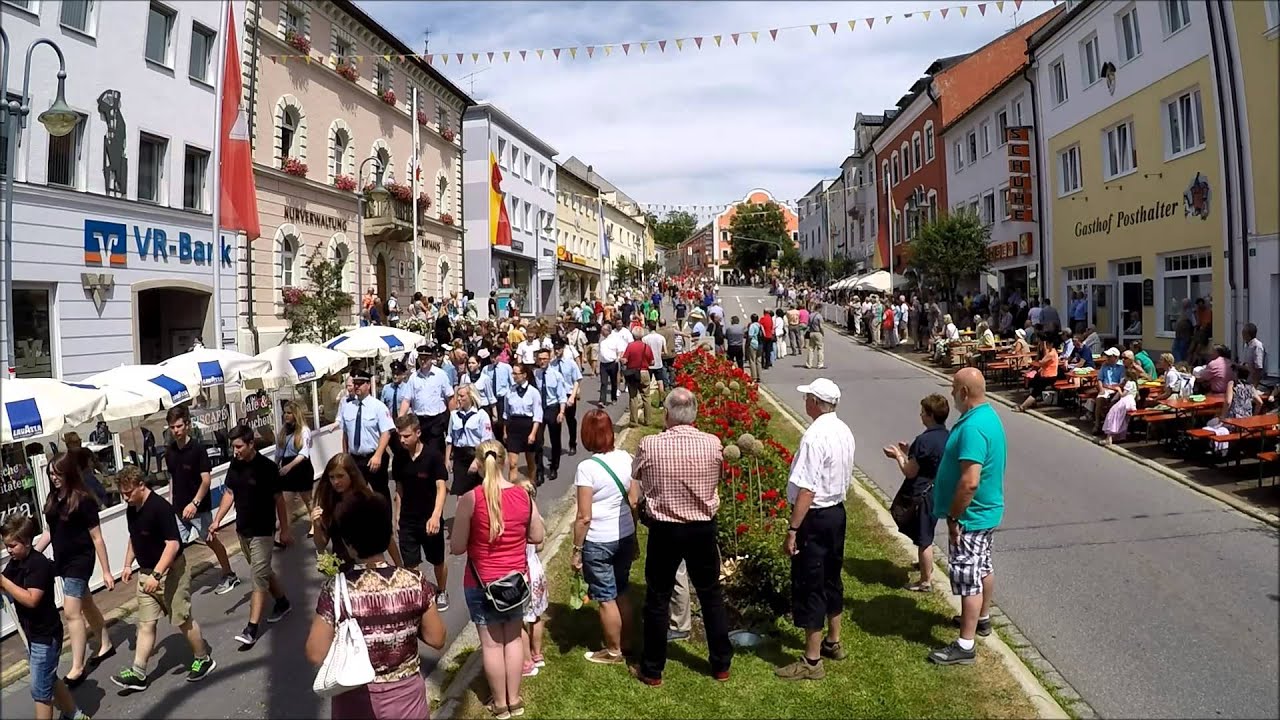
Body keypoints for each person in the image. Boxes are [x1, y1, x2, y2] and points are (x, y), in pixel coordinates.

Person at [305, 492, 445, 719]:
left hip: (354, 698)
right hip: (406, 698)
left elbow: (315, 652)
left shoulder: (337, 590)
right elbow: (437, 638)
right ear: (387, 535)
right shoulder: (415, 581)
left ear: (349, 545)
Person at [631, 389, 732, 685]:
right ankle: (721, 664)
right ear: (695, 415)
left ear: (667, 415)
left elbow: (638, 477)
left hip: (666, 529)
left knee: (658, 597)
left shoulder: (650, 444)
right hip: (701, 527)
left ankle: (652, 669)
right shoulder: (712, 443)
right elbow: (719, 478)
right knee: (711, 594)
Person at [451, 440, 546, 720]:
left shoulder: (471, 499)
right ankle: (515, 700)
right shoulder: (522, 496)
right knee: (514, 640)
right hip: (516, 582)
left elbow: (457, 547)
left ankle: (500, 703)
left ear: (479, 464)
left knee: (491, 645)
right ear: (505, 462)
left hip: (481, 583)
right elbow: (538, 536)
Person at [774, 379, 856, 681]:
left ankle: (811, 660)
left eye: (807, 397)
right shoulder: (843, 430)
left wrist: (793, 528)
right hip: (836, 512)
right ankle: (833, 641)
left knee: (812, 583)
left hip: (816, 516)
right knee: (832, 577)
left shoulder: (814, 436)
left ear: (815, 403)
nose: (805, 401)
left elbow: (807, 488)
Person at [111, 465, 215, 690]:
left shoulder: (160, 508)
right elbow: (134, 538)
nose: (125, 497)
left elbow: (173, 544)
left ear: (141, 485)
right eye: (122, 493)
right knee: (145, 623)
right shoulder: (132, 508)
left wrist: (157, 575)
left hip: (170, 572)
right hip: (146, 573)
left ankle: (203, 658)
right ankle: (139, 672)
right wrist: (128, 564)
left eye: (128, 492)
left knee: (181, 618)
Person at [929, 368, 1006, 665]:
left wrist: (953, 517)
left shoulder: (973, 427)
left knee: (968, 577)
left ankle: (965, 644)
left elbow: (970, 480)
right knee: (984, 566)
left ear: (963, 392)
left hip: (970, 517)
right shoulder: (988, 416)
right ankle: (982, 618)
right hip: (987, 512)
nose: (951, 393)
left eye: (953, 388)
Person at [34, 454, 114, 688]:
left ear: (68, 472)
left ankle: (77, 667)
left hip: (80, 560)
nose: (54, 477)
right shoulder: (52, 499)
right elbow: (51, 531)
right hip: (63, 560)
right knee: (85, 603)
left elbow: (97, 538)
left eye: (57, 473)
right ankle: (105, 642)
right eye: (50, 474)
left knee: (71, 612)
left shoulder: (83, 499)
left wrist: (107, 571)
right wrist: (34, 553)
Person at [1, 516, 93, 720]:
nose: (8, 550)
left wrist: (5, 584)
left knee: (40, 691)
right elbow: (6, 583)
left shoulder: (38, 564)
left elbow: (32, 599)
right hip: (32, 635)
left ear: (26, 542)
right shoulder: (15, 562)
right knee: (48, 678)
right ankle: (74, 713)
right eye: (6, 546)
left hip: (46, 636)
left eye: (12, 546)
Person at [212, 424, 293, 648]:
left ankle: (251, 629)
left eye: (238, 446)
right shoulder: (235, 465)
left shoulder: (267, 468)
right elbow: (230, 494)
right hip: (243, 530)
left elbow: (279, 500)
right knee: (263, 570)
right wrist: (217, 520)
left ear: (250, 444)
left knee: (258, 577)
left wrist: (284, 529)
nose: (235, 451)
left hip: (263, 531)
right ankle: (283, 602)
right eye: (233, 447)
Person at [571, 409, 637, 665]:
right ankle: (628, 641)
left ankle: (612, 650)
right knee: (622, 589)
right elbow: (633, 500)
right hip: (624, 533)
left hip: (599, 539)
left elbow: (584, 516)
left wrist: (577, 549)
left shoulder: (587, 468)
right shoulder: (626, 458)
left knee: (605, 596)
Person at [164, 405, 239, 595]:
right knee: (174, 546)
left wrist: (194, 503)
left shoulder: (197, 450)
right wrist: (171, 503)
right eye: (172, 427)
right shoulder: (170, 452)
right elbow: (173, 478)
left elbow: (206, 480)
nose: (176, 431)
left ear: (187, 425)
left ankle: (229, 574)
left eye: (179, 426)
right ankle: (177, 584)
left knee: (210, 540)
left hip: (199, 508)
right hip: (178, 509)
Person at [884, 394, 950, 592]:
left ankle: (925, 580)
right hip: (939, 491)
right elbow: (928, 459)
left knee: (924, 539)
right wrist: (909, 451)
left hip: (922, 493)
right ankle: (924, 565)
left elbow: (910, 471)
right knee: (927, 529)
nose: (920, 415)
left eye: (923, 412)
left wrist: (897, 455)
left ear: (930, 415)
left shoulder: (924, 440)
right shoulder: (948, 436)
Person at [392, 415, 451, 612]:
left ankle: (442, 590)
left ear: (418, 433)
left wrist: (436, 516)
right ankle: (419, 594)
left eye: (406, 436)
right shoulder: (399, 458)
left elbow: (441, 488)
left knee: (437, 560)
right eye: (400, 436)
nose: (402, 440)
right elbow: (398, 487)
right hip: (408, 519)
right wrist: (397, 515)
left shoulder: (433, 456)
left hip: (429, 518)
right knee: (411, 563)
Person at [343, 369, 396, 521]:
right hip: (355, 458)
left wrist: (378, 455)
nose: (357, 387)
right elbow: (346, 434)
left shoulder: (378, 407)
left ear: (368, 385)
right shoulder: (348, 407)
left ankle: (385, 524)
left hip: (374, 456)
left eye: (360, 384)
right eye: (355, 383)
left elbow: (386, 432)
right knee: (356, 494)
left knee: (380, 493)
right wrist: (345, 456)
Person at [518, 479, 548, 678]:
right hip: (536, 569)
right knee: (536, 616)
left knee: (518, 620)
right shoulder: (538, 519)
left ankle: (526, 661)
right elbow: (540, 546)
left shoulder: (514, 520)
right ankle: (537, 654)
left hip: (522, 571)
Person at [276, 400, 316, 539]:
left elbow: (304, 453)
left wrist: (288, 467)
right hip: (287, 467)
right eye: (284, 413)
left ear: (295, 414)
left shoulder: (304, 431)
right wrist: (276, 466)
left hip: (301, 467)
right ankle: (285, 532)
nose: (286, 416)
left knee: (308, 500)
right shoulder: (283, 431)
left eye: (289, 413)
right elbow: (279, 452)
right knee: (286, 501)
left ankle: (315, 525)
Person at [447, 384, 495, 496]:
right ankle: (462, 513)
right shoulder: (454, 415)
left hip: (475, 454)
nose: (459, 399)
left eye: (462, 396)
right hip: (460, 455)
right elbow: (450, 438)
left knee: (478, 491)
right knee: (460, 492)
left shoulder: (481, 415)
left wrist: (477, 461)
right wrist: (447, 459)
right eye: (457, 396)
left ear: (470, 396)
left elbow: (486, 440)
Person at [503, 362, 543, 484]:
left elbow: (537, 415)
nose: (513, 376)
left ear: (524, 375)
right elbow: (506, 413)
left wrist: (533, 433)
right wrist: (505, 431)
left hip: (528, 426)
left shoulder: (533, 392)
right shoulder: (510, 391)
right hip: (513, 426)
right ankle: (513, 491)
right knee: (513, 463)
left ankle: (531, 486)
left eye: (516, 373)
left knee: (530, 461)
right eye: (513, 373)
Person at [534, 347, 568, 485]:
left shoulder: (556, 375)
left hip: (552, 409)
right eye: (540, 359)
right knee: (538, 441)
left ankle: (554, 467)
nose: (542, 361)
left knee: (555, 440)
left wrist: (561, 412)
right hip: (539, 410)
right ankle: (539, 471)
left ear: (549, 359)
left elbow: (561, 396)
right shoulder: (535, 374)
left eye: (545, 359)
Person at [552, 336, 584, 456]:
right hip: (556, 397)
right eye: (555, 349)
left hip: (568, 393)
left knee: (571, 421)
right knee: (556, 423)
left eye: (559, 348)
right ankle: (557, 447)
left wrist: (573, 396)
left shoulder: (570, 363)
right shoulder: (552, 365)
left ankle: (572, 443)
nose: (556, 351)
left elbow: (577, 379)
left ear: (563, 348)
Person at [1015, 335, 1060, 413]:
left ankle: (1022, 407)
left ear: (1051, 344)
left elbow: (1042, 362)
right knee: (1032, 383)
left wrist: (1044, 348)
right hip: (1046, 374)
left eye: (1047, 343)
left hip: (1048, 376)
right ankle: (1032, 402)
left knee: (1036, 391)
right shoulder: (1052, 352)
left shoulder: (1051, 353)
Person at [621, 327, 654, 427]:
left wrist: (621, 360)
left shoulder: (630, 346)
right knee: (646, 397)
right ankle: (648, 420)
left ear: (633, 335)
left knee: (633, 397)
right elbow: (652, 362)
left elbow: (625, 360)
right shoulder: (646, 347)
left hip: (633, 373)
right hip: (644, 372)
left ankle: (634, 421)